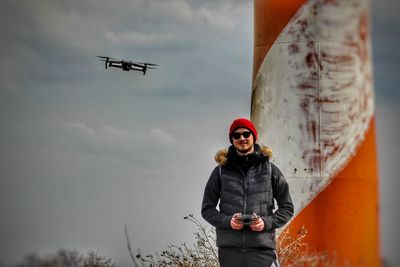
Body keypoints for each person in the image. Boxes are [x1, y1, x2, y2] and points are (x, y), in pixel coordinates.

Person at [201, 118, 294, 267]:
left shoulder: (271, 170)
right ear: (232, 140)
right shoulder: (220, 171)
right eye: (236, 135)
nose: (242, 138)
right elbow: (207, 209)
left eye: (246, 134)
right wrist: (228, 221)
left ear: (253, 136)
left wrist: (265, 222)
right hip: (229, 251)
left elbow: (287, 207)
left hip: (262, 249)